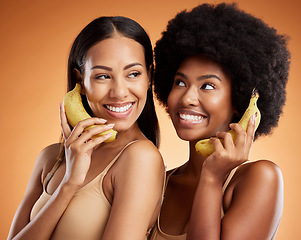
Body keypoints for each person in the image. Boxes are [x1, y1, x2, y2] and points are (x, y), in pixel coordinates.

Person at [8, 16, 165, 240]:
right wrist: (69, 183)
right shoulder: (51, 158)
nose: (119, 92)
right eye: (102, 76)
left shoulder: (140, 158)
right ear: (80, 81)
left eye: (133, 74)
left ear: (149, 77)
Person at [149, 3, 290, 240]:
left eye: (208, 86)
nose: (187, 98)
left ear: (238, 101)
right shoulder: (157, 182)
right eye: (180, 82)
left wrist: (212, 178)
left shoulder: (259, 178)